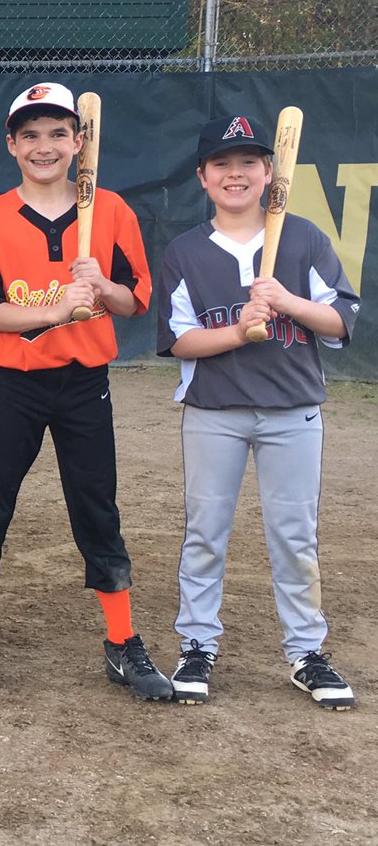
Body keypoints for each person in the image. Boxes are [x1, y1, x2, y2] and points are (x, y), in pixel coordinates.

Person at [0, 82, 172, 705]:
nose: (45, 146)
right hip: (15, 381)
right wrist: (51, 313)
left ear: (79, 141)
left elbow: (135, 299)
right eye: (31, 135)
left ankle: (121, 641)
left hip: (84, 383)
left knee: (97, 507)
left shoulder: (113, 212)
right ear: (12, 144)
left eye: (58, 133)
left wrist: (101, 290)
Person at [156, 115, 359, 709]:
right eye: (222, 163)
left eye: (249, 162)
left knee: (295, 537)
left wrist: (286, 300)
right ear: (203, 176)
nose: (236, 173)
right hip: (214, 412)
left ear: (270, 173)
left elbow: (341, 319)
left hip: (293, 412)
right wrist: (239, 336)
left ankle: (306, 652)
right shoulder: (186, 251)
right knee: (205, 535)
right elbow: (178, 341)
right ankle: (197, 644)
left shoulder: (303, 239)